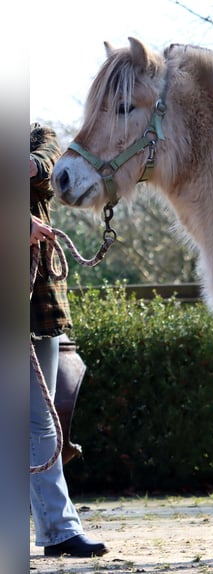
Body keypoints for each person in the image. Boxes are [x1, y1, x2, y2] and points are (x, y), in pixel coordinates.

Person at [29, 122, 108, 558]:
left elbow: (44, 169)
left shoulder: (38, 133)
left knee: (38, 422)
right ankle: (59, 530)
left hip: (37, 307)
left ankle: (58, 530)